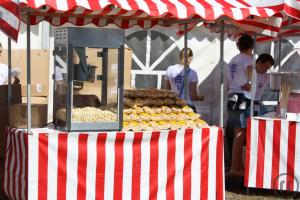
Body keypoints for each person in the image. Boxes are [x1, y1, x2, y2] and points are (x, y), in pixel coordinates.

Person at [227, 34, 274, 176]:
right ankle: (236, 168)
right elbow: (249, 70)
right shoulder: (248, 59)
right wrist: (249, 82)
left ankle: (237, 166)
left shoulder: (233, 59)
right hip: (242, 97)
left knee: (238, 132)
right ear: (251, 47)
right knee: (240, 133)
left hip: (233, 95)